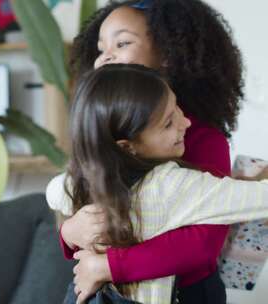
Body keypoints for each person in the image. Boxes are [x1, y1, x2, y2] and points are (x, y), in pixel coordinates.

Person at [59, 0, 251, 302]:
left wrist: (109, 265)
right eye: (100, 48)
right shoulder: (102, 137)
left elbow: (202, 246)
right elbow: (75, 198)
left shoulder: (199, 138)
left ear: (168, 56)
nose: (105, 56)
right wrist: (69, 233)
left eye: (122, 43)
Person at [46, 63, 268, 304]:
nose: (186, 123)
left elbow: (53, 192)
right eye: (168, 123)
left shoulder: (80, 179)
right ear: (127, 147)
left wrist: (70, 234)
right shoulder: (171, 186)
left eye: (177, 109)